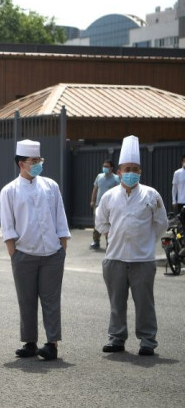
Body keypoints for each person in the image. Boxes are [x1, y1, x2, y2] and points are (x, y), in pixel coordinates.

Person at [95, 135, 168, 356]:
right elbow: (100, 222)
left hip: (142, 260)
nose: (131, 172)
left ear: (140, 172)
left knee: (144, 303)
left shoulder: (151, 195)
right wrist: (113, 235)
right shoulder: (108, 196)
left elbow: (161, 223)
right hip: (115, 258)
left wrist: (146, 241)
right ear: (119, 172)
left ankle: (147, 341)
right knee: (117, 302)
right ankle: (116, 338)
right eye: (127, 168)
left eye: (135, 169)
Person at [0, 139, 71, 361]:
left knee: (51, 300)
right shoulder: (9, 191)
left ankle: (52, 343)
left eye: (39, 160)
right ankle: (29, 342)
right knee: (27, 299)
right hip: (24, 253)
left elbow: (60, 216)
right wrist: (14, 253)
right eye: (34, 160)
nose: (38, 164)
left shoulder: (51, 186)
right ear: (21, 163)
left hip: (52, 253)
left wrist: (62, 246)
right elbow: (7, 226)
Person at [89, 160, 119, 250]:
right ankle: (96, 241)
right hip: (98, 204)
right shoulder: (99, 176)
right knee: (97, 222)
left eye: (107, 166)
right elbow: (95, 189)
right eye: (104, 166)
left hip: (111, 205)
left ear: (111, 168)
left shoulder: (116, 178)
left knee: (110, 223)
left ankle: (109, 242)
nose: (105, 168)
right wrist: (92, 200)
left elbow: (119, 191)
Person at [172, 154, 185, 223]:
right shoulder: (177, 173)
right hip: (181, 201)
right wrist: (174, 200)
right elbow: (174, 187)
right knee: (182, 221)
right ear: (182, 162)